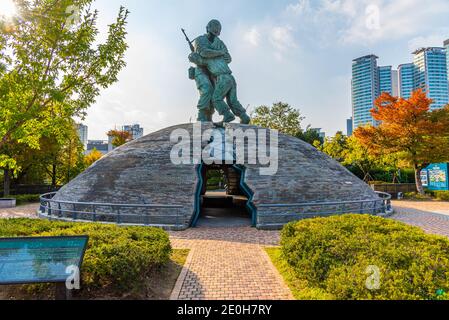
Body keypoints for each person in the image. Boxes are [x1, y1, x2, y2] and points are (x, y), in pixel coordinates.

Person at [189, 20, 251, 124]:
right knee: (210, 92)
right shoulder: (200, 39)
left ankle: (228, 115)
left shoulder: (219, 44)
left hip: (220, 76)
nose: (215, 32)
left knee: (216, 98)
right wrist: (219, 54)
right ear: (207, 28)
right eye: (213, 28)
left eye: (217, 30)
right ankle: (243, 116)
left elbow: (227, 58)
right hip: (215, 74)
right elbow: (203, 52)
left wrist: (212, 54)